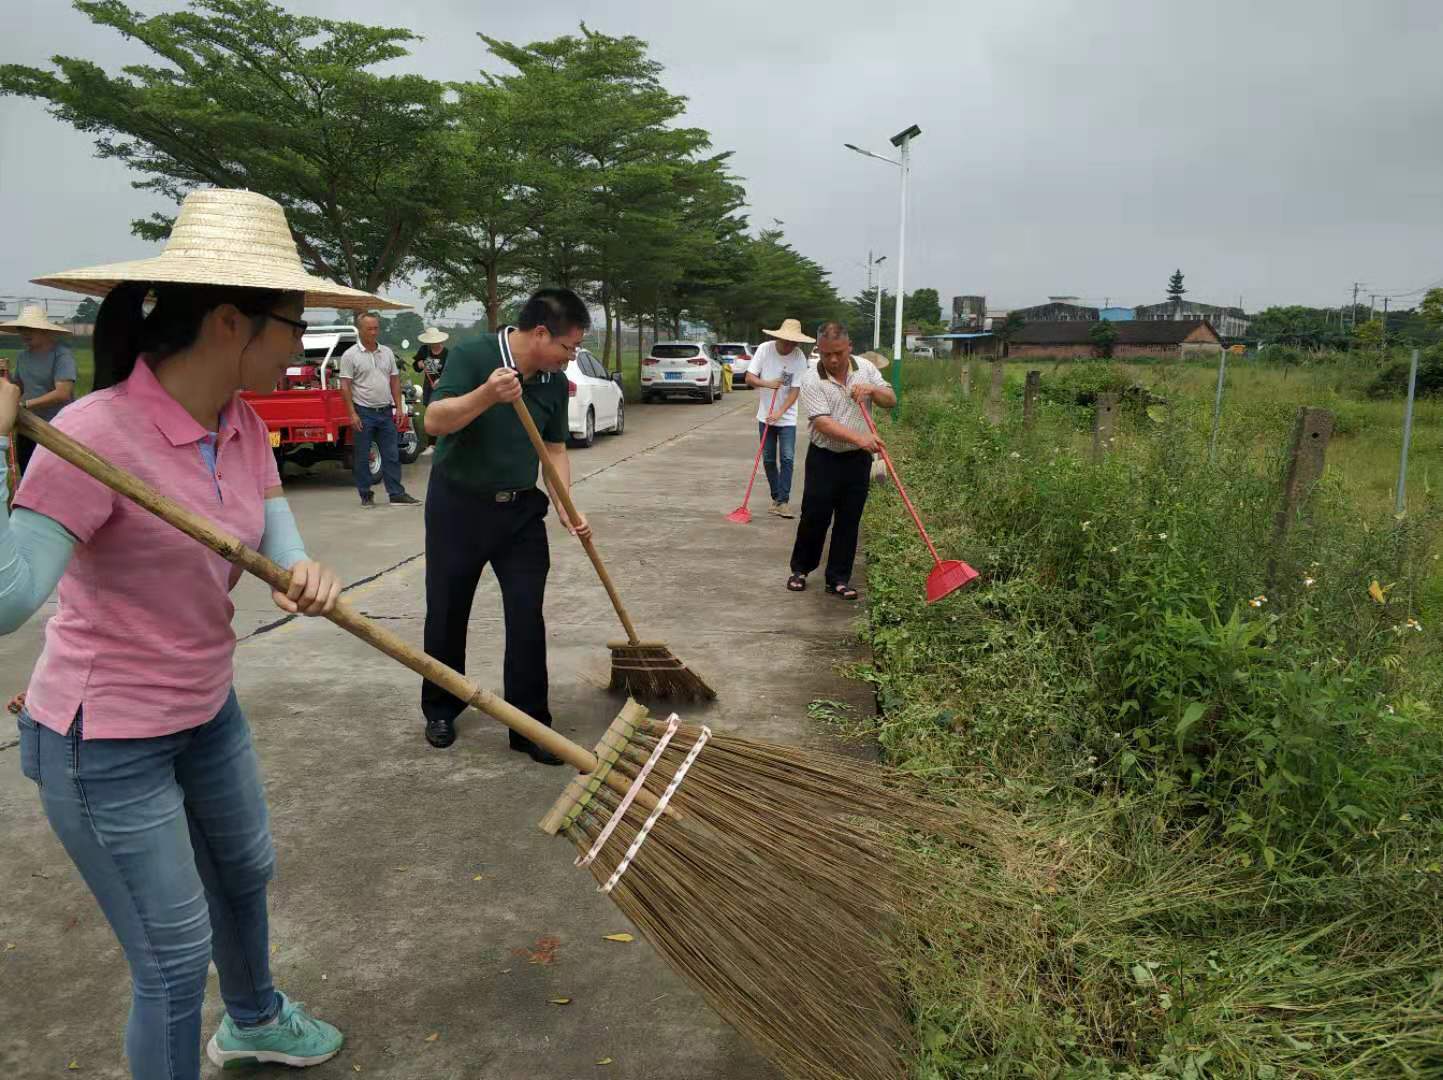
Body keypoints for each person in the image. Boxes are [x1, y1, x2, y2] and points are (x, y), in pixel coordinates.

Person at [2, 187, 395, 1078]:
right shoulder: (92, 435)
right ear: (231, 322)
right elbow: (8, 601)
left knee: (244, 872)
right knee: (173, 963)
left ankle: (253, 1019)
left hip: (204, 708)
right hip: (105, 741)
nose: (301, 343)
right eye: (293, 324)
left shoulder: (241, 421)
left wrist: (308, 571)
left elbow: (272, 526)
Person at [419, 288, 593, 761]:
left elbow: (554, 449)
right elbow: (435, 421)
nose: (571, 356)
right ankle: (440, 706)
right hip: (459, 507)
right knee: (448, 611)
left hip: (520, 512)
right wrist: (487, 394)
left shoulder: (554, 381)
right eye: (568, 346)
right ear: (540, 333)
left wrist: (564, 501)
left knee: (525, 615)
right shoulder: (475, 355)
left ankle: (530, 725)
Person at [787, 321, 896, 599]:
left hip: (857, 461)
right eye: (826, 354)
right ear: (818, 351)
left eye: (839, 352)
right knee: (815, 516)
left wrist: (872, 390)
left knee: (849, 519)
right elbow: (822, 423)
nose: (833, 360)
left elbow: (890, 400)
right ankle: (801, 569)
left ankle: (838, 578)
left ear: (849, 347)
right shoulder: (811, 378)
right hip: (824, 457)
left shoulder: (866, 369)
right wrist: (861, 439)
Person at [337, 313, 419, 508]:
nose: (374, 332)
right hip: (363, 412)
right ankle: (366, 494)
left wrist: (399, 407)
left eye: (376, 328)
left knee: (391, 454)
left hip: (385, 411)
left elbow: (395, 380)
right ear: (360, 330)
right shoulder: (350, 355)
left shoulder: (387, 352)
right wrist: (352, 413)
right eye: (369, 329)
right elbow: (345, 386)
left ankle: (396, 494)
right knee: (363, 455)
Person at [744, 318, 814, 518]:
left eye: (794, 342)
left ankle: (783, 501)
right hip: (765, 416)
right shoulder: (765, 350)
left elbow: (795, 390)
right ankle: (776, 496)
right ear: (779, 338)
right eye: (787, 341)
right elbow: (749, 378)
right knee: (767, 458)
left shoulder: (799, 357)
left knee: (788, 458)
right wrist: (767, 383)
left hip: (786, 418)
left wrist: (780, 412)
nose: (790, 345)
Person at [0, 304, 79, 474]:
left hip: (57, 426)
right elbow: (17, 388)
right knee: (28, 472)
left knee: (54, 474)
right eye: (22, 328)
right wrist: (4, 375)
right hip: (28, 426)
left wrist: (25, 405)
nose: (25, 333)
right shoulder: (22, 356)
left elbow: (62, 393)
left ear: (45, 331)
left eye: (31, 328)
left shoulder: (61, 355)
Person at [411, 326, 449, 408]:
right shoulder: (424, 350)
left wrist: (440, 380)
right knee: (429, 409)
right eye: (431, 342)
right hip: (429, 387)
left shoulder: (447, 353)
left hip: (442, 387)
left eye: (435, 342)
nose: (433, 344)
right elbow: (416, 367)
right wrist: (419, 364)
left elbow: (450, 372)